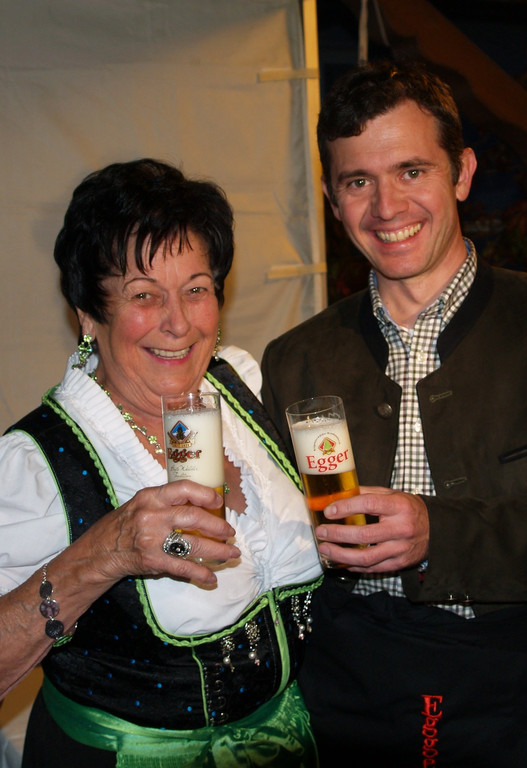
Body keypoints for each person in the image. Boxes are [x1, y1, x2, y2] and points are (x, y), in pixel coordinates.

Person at [261, 59, 527, 766]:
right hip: (349, 701)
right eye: (358, 181)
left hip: (526, 699)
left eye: (411, 171)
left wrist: (437, 533)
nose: (386, 207)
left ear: (462, 173)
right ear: (332, 199)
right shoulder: (294, 359)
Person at [0, 158, 322, 767]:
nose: (179, 323)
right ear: (89, 314)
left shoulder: (241, 388)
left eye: (196, 289)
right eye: (145, 295)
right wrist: (104, 554)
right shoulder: (39, 465)